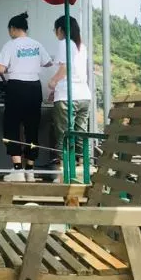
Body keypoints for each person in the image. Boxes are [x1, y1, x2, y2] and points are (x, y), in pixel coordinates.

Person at [0, 12, 52, 181]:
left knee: (12, 127)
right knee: (32, 128)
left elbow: (0, 69)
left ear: (13, 29)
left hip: (16, 87)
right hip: (34, 87)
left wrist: (11, 68)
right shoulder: (37, 44)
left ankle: (17, 170)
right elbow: (48, 62)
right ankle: (30, 170)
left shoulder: (10, 45)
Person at [47, 14, 92, 174]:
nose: (55, 33)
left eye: (55, 30)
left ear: (60, 29)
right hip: (84, 96)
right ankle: (82, 170)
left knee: (64, 135)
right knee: (80, 135)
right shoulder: (82, 46)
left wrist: (53, 82)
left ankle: (64, 171)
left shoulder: (64, 43)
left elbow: (65, 68)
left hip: (67, 96)